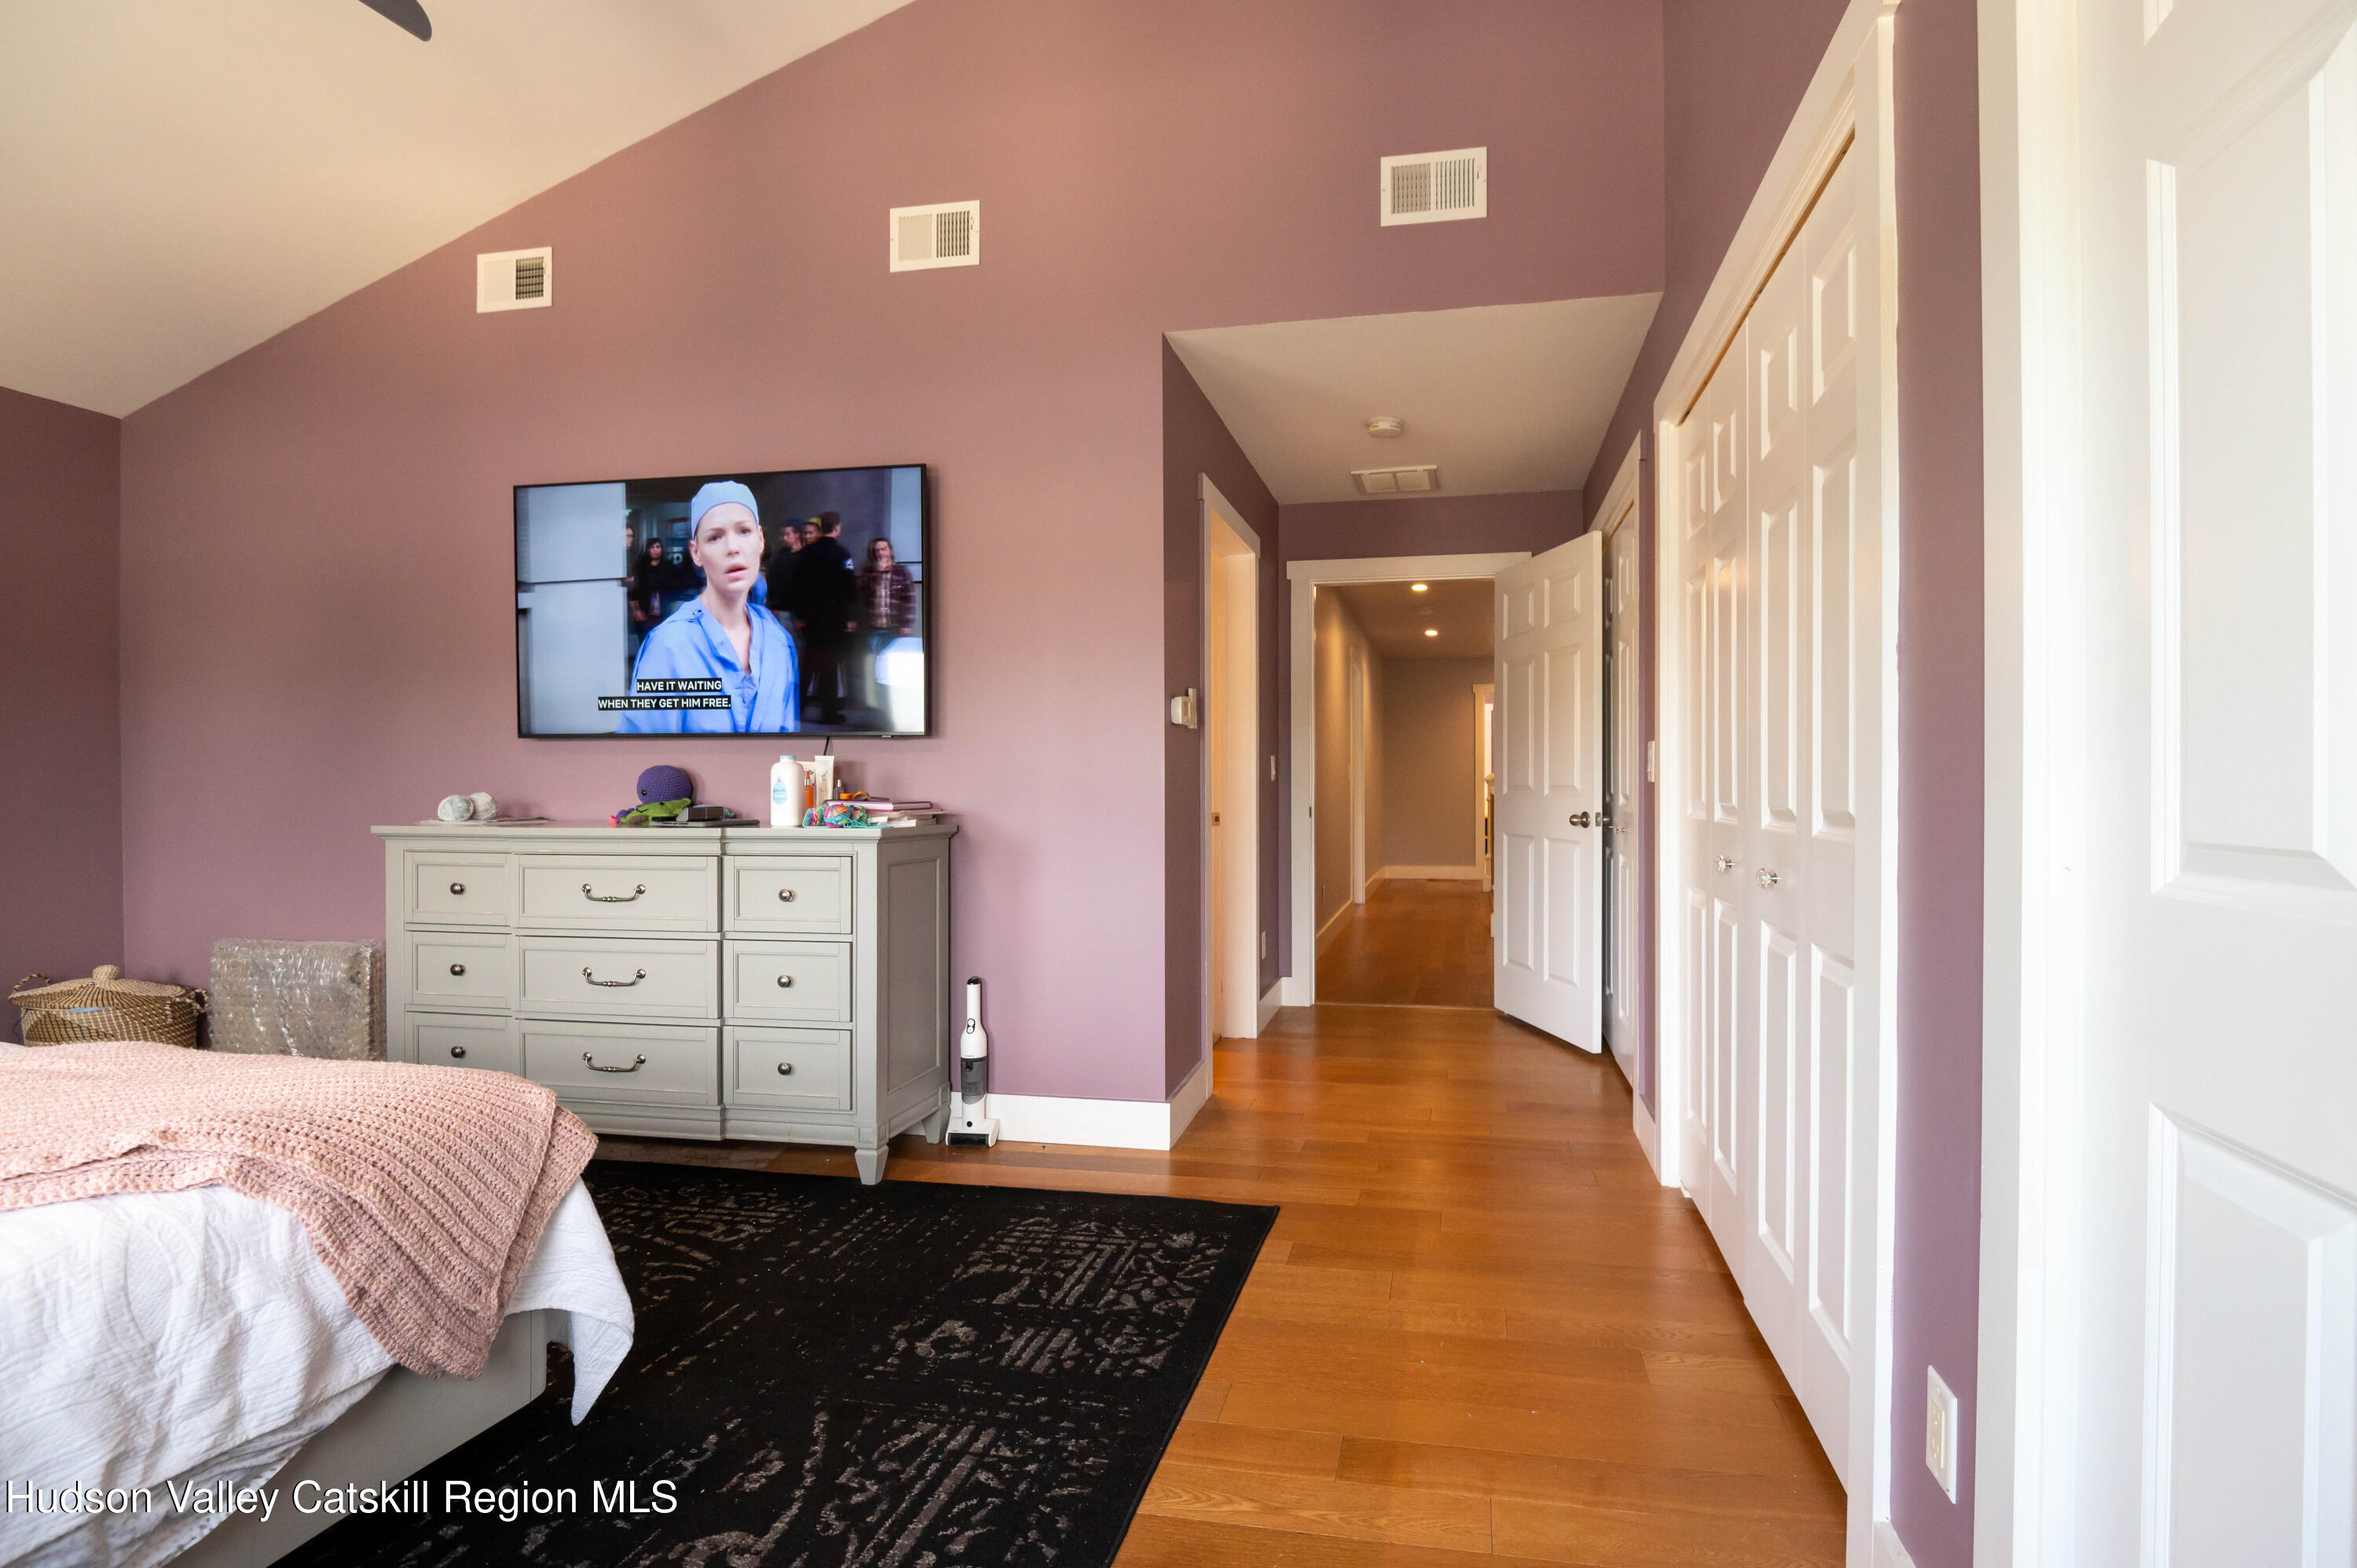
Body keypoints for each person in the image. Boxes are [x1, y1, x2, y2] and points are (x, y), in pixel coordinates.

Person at [615, 482, 798, 734]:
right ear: (696, 552)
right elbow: (644, 757)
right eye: (715, 537)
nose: (732, 548)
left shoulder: (778, 642)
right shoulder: (669, 646)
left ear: (760, 539)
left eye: (744, 531)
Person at [782, 511, 857, 724]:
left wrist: (800, 615)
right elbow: (848, 587)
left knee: (808, 663)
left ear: (821, 527)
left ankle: (797, 707)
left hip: (811, 618)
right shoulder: (842, 554)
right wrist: (850, 618)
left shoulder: (807, 553)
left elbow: (796, 587)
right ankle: (829, 712)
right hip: (834, 617)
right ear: (837, 528)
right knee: (830, 665)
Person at [855, 537, 918, 711]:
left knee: (894, 670)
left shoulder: (902, 572)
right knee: (873, 668)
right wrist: (877, 574)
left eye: (883, 549)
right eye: (877, 550)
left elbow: (909, 600)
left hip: (895, 629)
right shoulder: (869, 572)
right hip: (874, 629)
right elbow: (862, 596)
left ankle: (896, 706)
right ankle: (878, 706)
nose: (880, 553)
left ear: (890, 550)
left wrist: (907, 623)